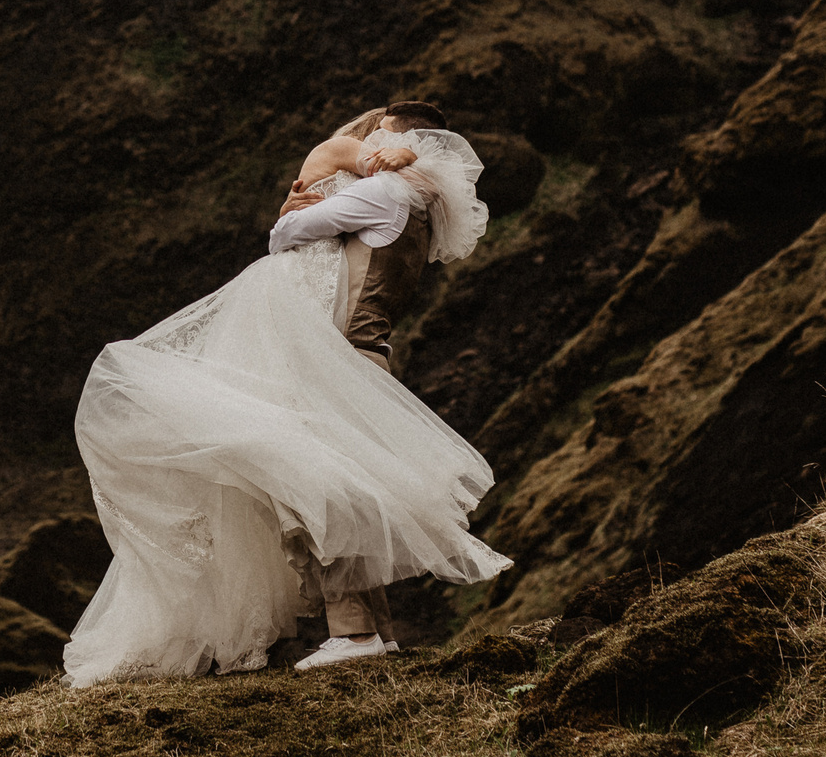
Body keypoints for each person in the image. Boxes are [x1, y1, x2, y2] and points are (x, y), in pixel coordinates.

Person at [62, 100, 508, 686]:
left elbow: (288, 232)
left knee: (321, 492)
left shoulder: (386, 193)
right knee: (338, 485)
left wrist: (305, 206)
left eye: (378, 135)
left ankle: (355, 635)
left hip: (337, 358)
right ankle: (373, 633)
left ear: (396, 135)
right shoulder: (422, 204)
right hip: (361, 356)